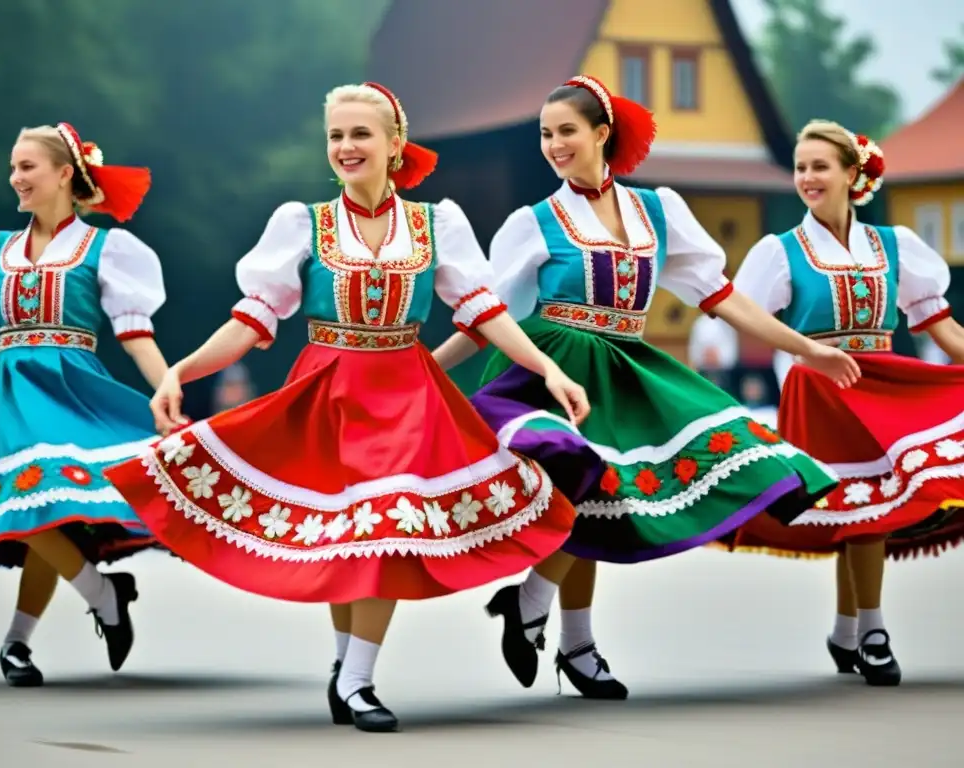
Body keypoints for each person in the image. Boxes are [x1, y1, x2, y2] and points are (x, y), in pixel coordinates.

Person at [103, 82, 588, 734]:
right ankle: (348, 673)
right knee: (351, 540)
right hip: (330, 390)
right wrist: (183, 371)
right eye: (336, 136)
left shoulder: (434, 223)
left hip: (408, 394)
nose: (346, 147)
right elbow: (251, 319)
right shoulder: (301, 223)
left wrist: (547, 367)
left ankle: (356, 679)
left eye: (360, 134)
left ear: (395, 144)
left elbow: (484, 312)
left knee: (384, 531)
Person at [431, 76, 860, 699]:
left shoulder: (657, 210)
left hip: (627, 370)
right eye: (546, 134)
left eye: (566, 132)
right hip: (553, 367)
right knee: (583, 482)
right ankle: (545, 616)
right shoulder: (534, 222)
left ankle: (559, 631)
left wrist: (806, 347)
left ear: (601, 134)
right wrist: (429, 370)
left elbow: (720, 296)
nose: (553, 145)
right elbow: (483, 314)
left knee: (611, 498)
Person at [718, 119, 964, 687]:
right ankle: (872, 631)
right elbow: (740, 313)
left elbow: (938, 322)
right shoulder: (780, 252)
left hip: (881, 384)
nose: (807, 177)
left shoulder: (893, 245)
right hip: (821, 390)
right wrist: (804, 353)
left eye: (819, 166)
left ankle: (850, 630)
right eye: (801, 167)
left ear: (853, 174)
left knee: (865, 509)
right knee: (863, 507)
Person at [0, 123, 169, 686]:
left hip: (70, 391)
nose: (15, 178)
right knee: (34, 499)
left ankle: (39, 629)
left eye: (27, 167)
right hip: (9, 393)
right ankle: (86, 604)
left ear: (65, 174)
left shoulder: (103, 249)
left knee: (41, 497)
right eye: (14, 167)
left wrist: (168, 389)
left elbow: (135, 334)